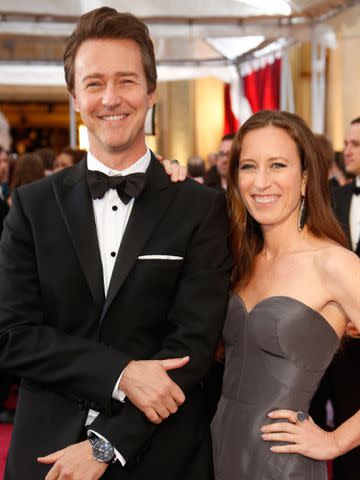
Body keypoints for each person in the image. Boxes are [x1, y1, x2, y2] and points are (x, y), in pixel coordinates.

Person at [0, 7, 230, 480]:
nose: (110, 98)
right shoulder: (30, 206)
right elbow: (12, 335)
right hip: (47, 455)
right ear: (74, 96)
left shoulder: (200, 207)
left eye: (126, 81)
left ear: (151, 92)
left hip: (158, 453)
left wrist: (105, 446)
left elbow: (192, 348)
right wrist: (121, 371)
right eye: (94, 82)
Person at [174, 110, 360, 478]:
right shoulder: (238, 257)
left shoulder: (335, 264)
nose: (260, 182)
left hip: (282, 464)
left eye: (277, 165)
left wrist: (336, 441)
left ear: (306, 178)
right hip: (220, 452)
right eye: (248, 166)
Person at [310, 116, 360, 479]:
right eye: (347, 143)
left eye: (356, 144)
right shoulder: (335, 198)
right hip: (341, 344)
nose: (348, 151)